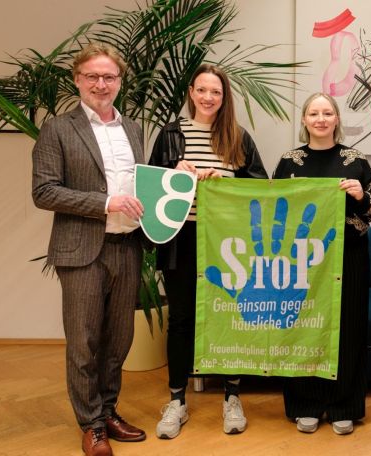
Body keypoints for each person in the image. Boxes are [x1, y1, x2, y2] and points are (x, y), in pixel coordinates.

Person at [31, 43, 147, 456]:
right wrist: (104, 204)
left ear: (120, 81)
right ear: (77, 80)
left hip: (127, 246)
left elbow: (141, 185)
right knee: (83, 343)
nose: (101, 84)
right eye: (93, 76)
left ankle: (109, 410)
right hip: (80, 251)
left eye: (109, 77)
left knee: (119, 340)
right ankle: (92, 424)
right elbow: (44, 191)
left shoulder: (134, 129)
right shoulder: (58, 129)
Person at [148, 63, 267, 439]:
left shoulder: (238, 137)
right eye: (202, 90)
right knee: (181, 318)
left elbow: (261, 187)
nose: (208, 97)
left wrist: (226, 180)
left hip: (226, 241)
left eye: (215, 91)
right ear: (191, 93)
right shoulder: (170, 134)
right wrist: (173, 172)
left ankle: (232, 395)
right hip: (181, 240)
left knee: (229, 316)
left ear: (224, 96)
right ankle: (177, 401)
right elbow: (151, 188)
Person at [273, 92, 371, 436]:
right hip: (302, 259)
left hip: (349, 255)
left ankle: (343, 406)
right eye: (313, 113)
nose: (321, 119)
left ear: (336, 119)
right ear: (304, 121)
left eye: (327, 113)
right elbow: (275, 209)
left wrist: (359, 196)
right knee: (302, 329)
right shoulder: (289, 162)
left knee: (348, 330)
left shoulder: (356, 161)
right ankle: (305, 404)